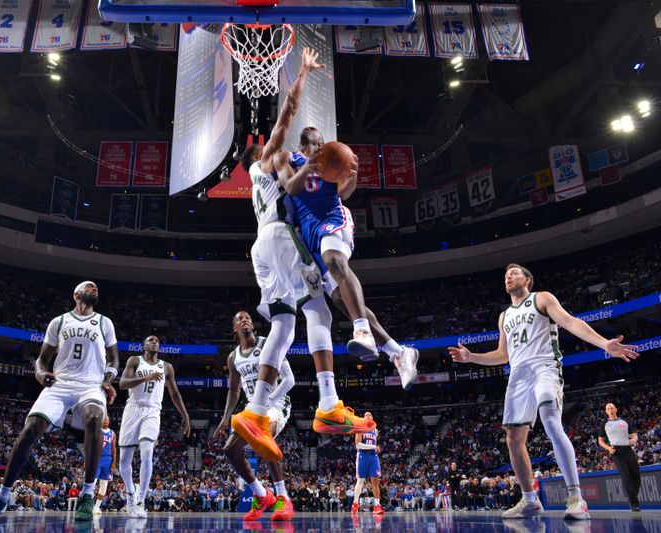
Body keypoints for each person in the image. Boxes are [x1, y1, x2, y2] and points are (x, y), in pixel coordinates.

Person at [231, 46, 374, 464]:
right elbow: (288, 111)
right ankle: (328, 403)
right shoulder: (270, 158)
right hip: (281, 240)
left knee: (281, 323)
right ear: (259, 156)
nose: (276, 143)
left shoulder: (258, 182)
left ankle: (256, 411)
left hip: (260, 249)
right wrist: (302, 75)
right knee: (320, 312)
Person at [449, 263, 639, 520]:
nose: (508, 277)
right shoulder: (504, 316)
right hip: (517, 376)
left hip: (544, 368)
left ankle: (576, 497)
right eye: (506, 275)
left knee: (550, 421)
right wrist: (471, 356)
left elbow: (570, 322)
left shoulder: (541, 298)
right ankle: (529, 500)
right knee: (513, 439)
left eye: (514, 273)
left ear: (527, 279)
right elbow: (502, 355)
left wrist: (604, 343)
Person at [272, 128, 419, 388]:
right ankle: (399, 353)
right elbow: (292, 188)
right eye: (315, 141)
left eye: (321, 140)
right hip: (308, 232)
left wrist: (352, 175)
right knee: (341, 300)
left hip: (333, 218)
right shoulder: (287, 158)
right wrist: (309, 165)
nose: (319, 143)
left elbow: (343, 193)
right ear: (306, 143)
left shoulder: (333, 157)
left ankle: (362, 330)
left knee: (335, 261)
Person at [0, 281, 119, 521]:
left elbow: (113, 359)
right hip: (60, 383)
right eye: (89, 287)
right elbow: (42, 359)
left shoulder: (104, 322)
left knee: (94, 419)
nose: (95, 289)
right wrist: (39, 373)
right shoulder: (58, 322)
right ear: (76, 294)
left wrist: (109, 378)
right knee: (31, 428)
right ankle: (1, 497)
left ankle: (87, 494)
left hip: (91, 384)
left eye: (97, 289)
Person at [214, 311, 296, 521]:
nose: (245, 320)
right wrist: (226, 418)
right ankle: (261, 494)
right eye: (240, 319)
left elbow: (289, 380)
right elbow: (234, 391)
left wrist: (267, 401)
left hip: (277, 401)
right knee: (229, 449)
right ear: (234, 328)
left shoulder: (268, 344)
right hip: (253, 407)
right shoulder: (233, 357)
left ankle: (283, 498)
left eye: (248, 318)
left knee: (263, 438)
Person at [118, 335, 190, 517]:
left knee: (147, 451)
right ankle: (130, 492)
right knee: (124, 460)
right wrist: (145, 378)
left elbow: (174, 393)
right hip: (133, 409)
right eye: (150, 340)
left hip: (152, 411)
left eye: (157, 341)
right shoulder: (134, 360)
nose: (154, 342)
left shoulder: (166, 367)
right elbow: (122, 383)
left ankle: (141, 500)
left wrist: (185, 415)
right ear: (143, 345)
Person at [598, 402, 642, 511]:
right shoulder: (605, 423)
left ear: (616, 409)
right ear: (606, 412)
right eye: (608, 409)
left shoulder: (624, 421)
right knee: (626, 476)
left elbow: (634, 434)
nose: (610, 410)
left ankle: (633, 496)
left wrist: (634, 439)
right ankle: (634, 503)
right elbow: (600, 441)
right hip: (616, 452)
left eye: (612, 408)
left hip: (628, 449)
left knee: (636, 476)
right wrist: (608, 448)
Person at [351, 412, 384, 516]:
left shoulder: (375, 430)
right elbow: (358, 445)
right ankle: (355, 502)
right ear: (363, 418)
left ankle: (377, 505)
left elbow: (374, 443)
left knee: (375, 481)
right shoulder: (360, 428)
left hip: (373, 456)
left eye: (370, 415)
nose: (368, 416)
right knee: (360, 480)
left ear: (372, 418)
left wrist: (375, 448)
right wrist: (374, 447)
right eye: (366, 415)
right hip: (362, 456)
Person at [93, 415, 117, 515]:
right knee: (92, 483)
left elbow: (113, 449)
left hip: (107, 460)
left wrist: (114, 463)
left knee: (104, 486)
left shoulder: (112, 433)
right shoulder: (97, 431)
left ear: (109, 421)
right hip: (97, 459)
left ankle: (96, 507)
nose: (106, 421)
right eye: (104, 419)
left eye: (107, 419)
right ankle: (87, 504)